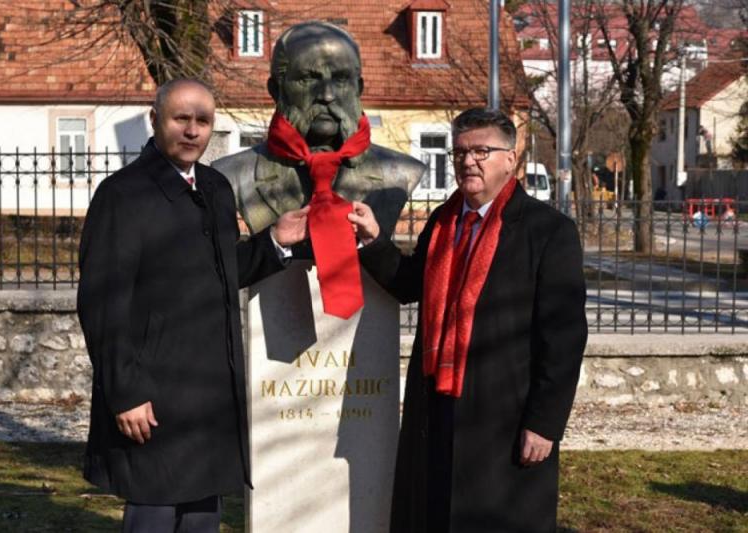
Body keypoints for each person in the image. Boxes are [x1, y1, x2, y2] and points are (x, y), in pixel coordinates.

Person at [76, 78, 308, 532]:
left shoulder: (215, 188)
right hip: (152, 393)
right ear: (155, 120)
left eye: (202, 120)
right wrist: (126, 393)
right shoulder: (122, 194)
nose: (192, 130)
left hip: (209, 392)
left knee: (203, 516)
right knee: (154, 510)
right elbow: (102, 302)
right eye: (181, 118)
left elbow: (221, 272)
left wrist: (275, 241)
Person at [349, 107, 587, 532]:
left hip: (504, 414)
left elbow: (564, 338)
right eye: (459, 152)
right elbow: (409, 284)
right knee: (434, 516)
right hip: (436, 406)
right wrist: (373, 240)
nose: (467, 161)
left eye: (481, 151)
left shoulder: (548, 230)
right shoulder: (444, 221)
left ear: (510, 159)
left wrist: (544, 422)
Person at [212, 21, 424, 240]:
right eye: (308, 79)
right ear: (276, 89)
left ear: (359, 89)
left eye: (341, 79)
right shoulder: (230, 174)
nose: (327, 95)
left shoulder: (401, 172)